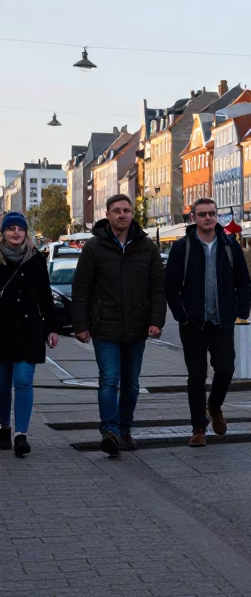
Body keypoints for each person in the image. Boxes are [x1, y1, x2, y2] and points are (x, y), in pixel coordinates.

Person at [71, 194, 166, 456]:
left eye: (126, 210)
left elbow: (158, 287)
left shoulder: (146, 246)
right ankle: (110, 431)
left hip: (137, 326)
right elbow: (81, 288)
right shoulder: (94, 247)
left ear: (132, 213)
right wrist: (80, 324)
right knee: (109, 380)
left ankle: (124, 430)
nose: (122, 215)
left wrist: (156, 320)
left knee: (132, 383)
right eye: (116, 211)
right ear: (108, 214)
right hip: (105, 327)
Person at [165, 199, 251, 447]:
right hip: (193, 323)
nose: (208, 218)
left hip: (222, 321)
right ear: (193, 218)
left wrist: (240, 311)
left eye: (212, 213)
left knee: (225, 370)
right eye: (202, 214)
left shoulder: (228, 245)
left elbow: (243, 281)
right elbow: (170, 286)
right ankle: (198, 429)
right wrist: (181, 315)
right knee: (196, 376)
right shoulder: (183, 247)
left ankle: (214, 406)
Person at [0, 212, 58, 458]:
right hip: (1, 331)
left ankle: (21, 434)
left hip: (29, 330)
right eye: (11, 228)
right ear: (3, 233)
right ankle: (4, 426)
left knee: (23, 382)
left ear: (26, 232)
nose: (16, 232)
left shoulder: (35, 260)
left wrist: (52, 328)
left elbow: (46, 297)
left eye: (20, 229)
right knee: (2, 386)